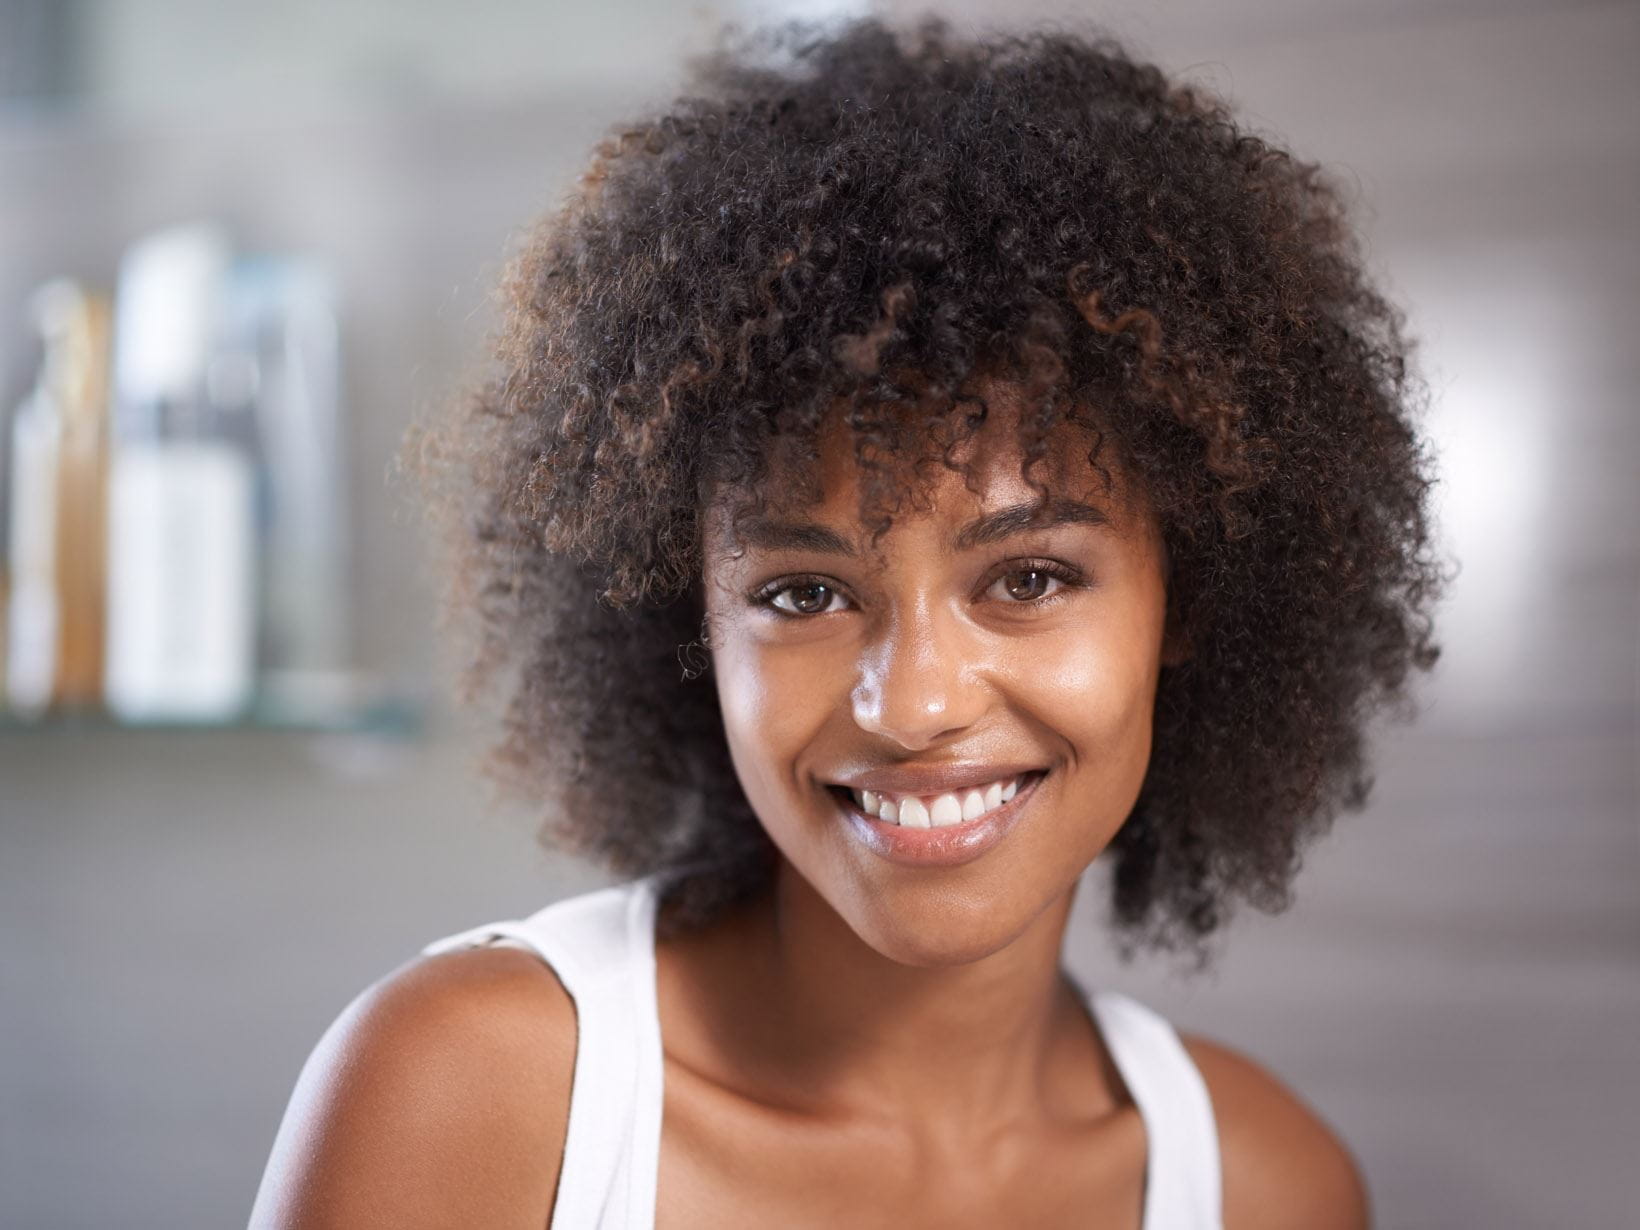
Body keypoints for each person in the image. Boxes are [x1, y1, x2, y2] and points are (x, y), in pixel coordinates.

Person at [251, 15, 1445, 1228]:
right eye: (802, 594)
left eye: (1026, 578)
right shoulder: (473, 1096)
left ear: (1184, 596)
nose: (914, 701)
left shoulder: (1263, 1189)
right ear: (693, 623)